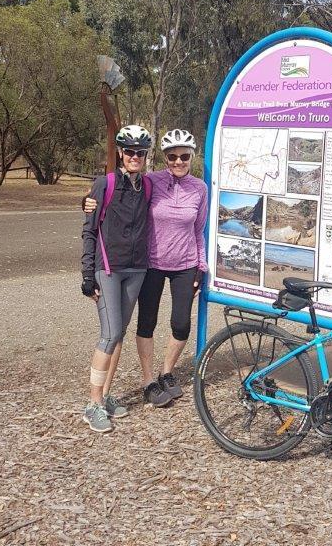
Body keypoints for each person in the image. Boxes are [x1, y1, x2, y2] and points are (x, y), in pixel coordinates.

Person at [84, 128, 207, 408]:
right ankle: (147, 380)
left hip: (185, 264)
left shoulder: (199, 188)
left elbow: (199, 229)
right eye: (172, 157)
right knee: (141, 324)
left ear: (191, 158)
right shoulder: (152, 181)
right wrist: (87, 201)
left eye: (184, 157)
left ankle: (167, 372)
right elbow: (113, 197)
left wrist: (201, 264)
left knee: (181, 324)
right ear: (164, 158)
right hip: (150, 262)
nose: (178, 162)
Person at [80, 124, 153, 433]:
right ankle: (92, 404)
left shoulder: (148, 186)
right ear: (121, 153)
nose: (135, 157)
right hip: (107, 268)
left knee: (119, 333)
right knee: (109, 334)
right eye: (130, 152)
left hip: (136, 269)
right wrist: (87, 274)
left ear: (147, 156)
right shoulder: (105, 183)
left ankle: (106, 396)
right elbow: (89, 228)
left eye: (141, 152)